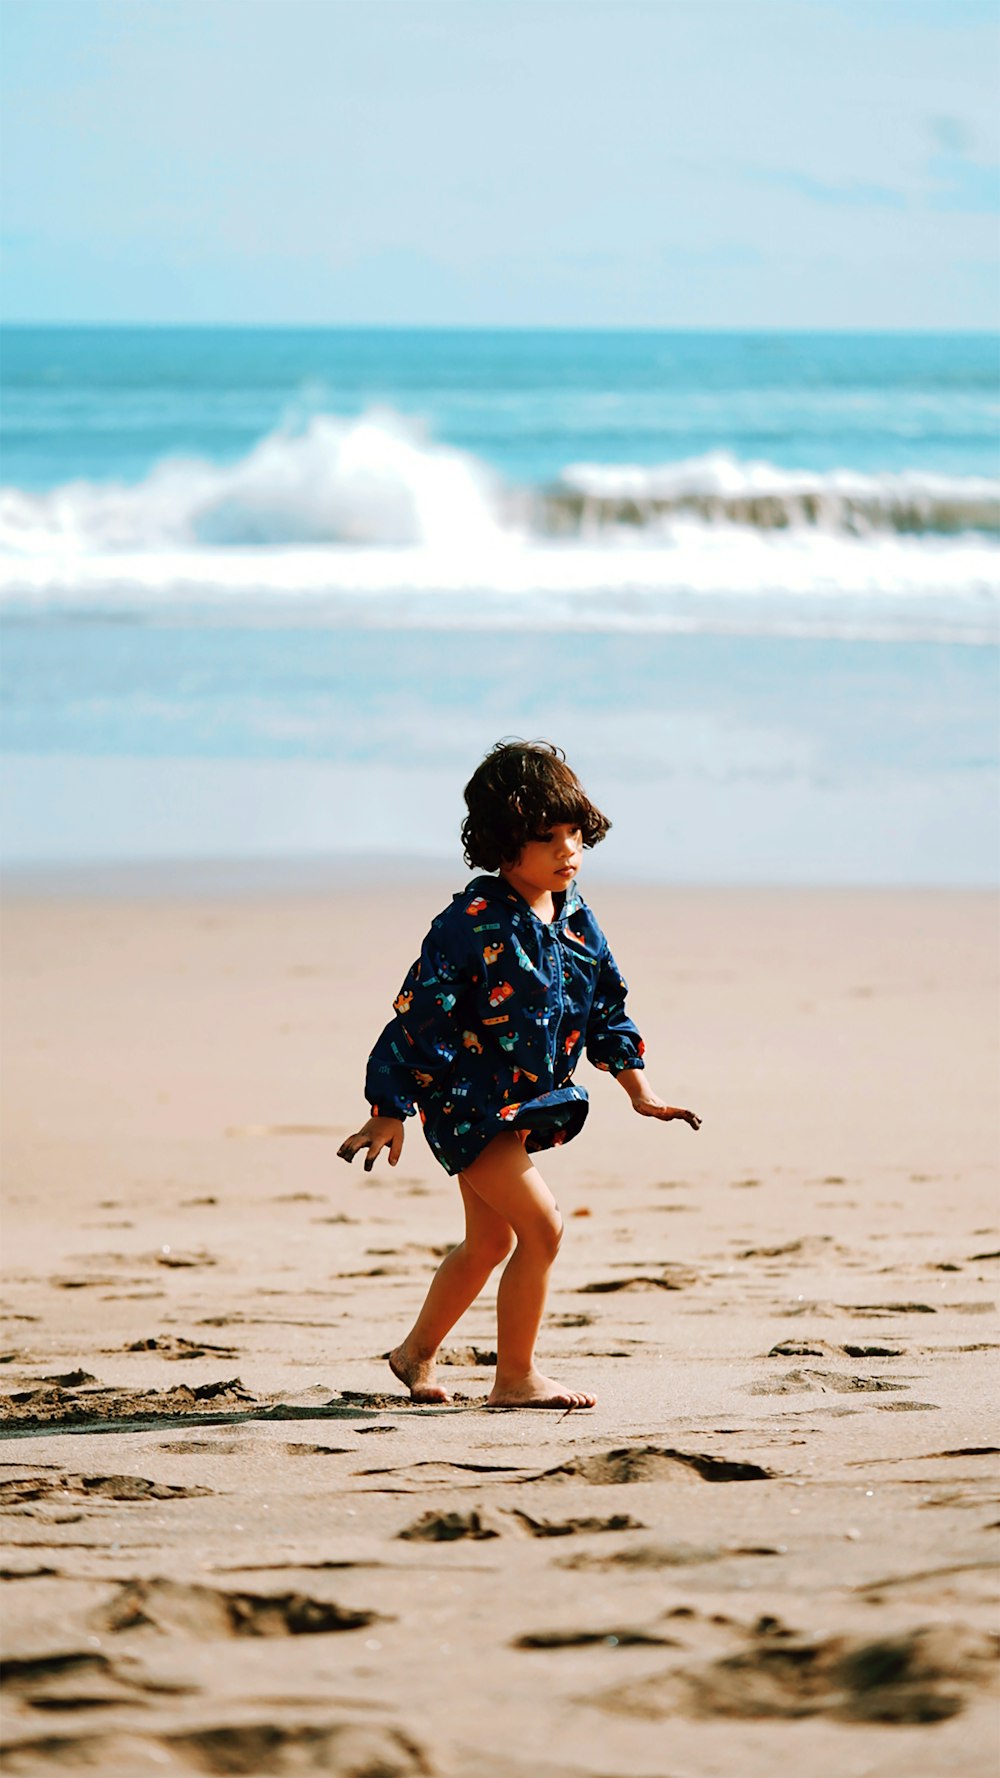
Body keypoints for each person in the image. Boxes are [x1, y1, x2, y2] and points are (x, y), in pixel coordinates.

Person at [338, 740, 700, 1409]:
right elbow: (419, 1016)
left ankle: (413, 1353)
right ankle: (515, 1378)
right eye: (547, 838)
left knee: (490, 1240)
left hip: (522, 1106)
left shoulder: (575, 915)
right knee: (542, 1228)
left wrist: (639, 1090)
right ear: (504, 845)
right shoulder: (469, 923)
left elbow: (606, 1007)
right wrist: (389, 1107)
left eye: (575, 835)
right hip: (464, 1104)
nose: (569, 852)